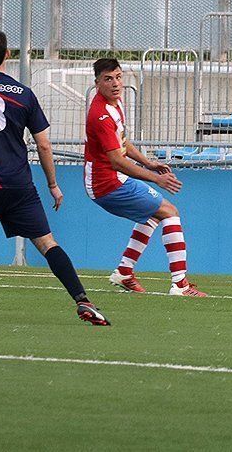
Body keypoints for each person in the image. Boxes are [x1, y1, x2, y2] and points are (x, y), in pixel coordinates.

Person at [0, 29, 109, 325]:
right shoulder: (24, 94)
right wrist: (53, 185)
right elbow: (44, 143)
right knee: (47, 243)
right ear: (8, 54)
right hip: (20, 185)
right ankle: (84, 300)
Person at [84, 58, 206, 297]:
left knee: (154, 214)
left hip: (110, 179)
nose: (115, 83)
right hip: (106, 183)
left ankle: (124, 271)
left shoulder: (115, 104)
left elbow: (122, 143)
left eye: (118, 77)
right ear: (97, 82)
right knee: (170, 211)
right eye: (108, 79)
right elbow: (117, 160)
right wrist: (155, 178)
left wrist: (147, 162)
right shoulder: (100, 115)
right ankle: (180, 284)